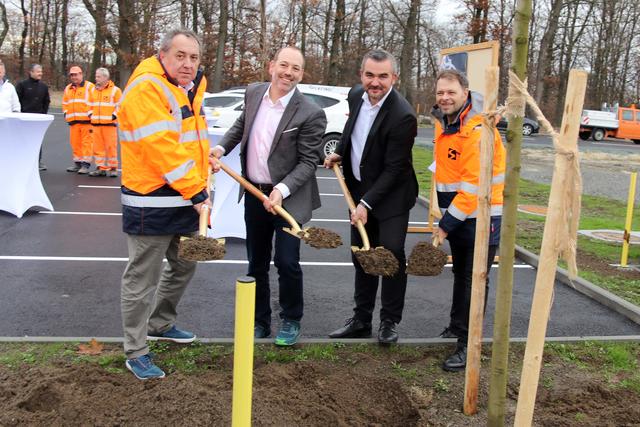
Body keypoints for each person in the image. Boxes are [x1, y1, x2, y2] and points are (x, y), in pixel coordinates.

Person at [211, 46, 326, 346]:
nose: (288, 73)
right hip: (253, 193)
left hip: (289, 198)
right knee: (256, 261)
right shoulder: (253, 93)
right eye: (284, 65)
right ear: (272, 66)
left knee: (287, 261)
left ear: (302, 74)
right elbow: (241, 128)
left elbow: (308, 162)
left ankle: (291, 319)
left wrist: (281, 190)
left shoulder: (311, 113)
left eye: (296, 68)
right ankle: (259, 321)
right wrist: (220, 149)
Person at [117, 28, 211, 380]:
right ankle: (136, 350)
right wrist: (198, 192)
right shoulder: (147, 88)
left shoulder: (187, 87)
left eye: (194, 57)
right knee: (142, 278)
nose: (187, 64)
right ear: (163, 55)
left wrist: (204, 175)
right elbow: (161, 149)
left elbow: (189, 141)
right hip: (150, 200)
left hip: (184, 198)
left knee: (184, 265)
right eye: (180, 56)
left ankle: (160, 323)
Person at [325, 49, 418, 345]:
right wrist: (339, 149)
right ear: (361, 75)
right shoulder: (355, 95)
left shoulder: (403, 115)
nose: (375, 82)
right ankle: (361, 319)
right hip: (359, 191)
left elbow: (395, 168)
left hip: (392, 196)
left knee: (390, 255)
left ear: (394, 77)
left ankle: (389, 322)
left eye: (382, 76)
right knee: (362, 255)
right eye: (369, 75)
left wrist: (366, 204)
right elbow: (352, 130)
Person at [431, 69, 505, 371]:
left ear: (465, 92)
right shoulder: (447, 123)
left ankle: (467, 344)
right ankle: (456, 326)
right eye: (440, 93)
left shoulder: (476, 130)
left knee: (475, 281)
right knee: (461, 275)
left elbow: (473, 189)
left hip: (481, 217)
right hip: (460, 216)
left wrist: (445, 225)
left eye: (451, 92)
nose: (445, 98)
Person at [16, 64, 51, 171]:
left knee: (37, 140)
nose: (40, 73)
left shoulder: (44, 87)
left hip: (38, 119)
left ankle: (37, 162)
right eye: (38, 71)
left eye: (41, 71)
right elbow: (17, 101)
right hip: (24, 118)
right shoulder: (22, 85)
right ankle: (23, 160)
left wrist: (43, 115)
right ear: (31, 72)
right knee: (23, 140)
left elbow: (46, 101)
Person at [88, 67, 121, 177]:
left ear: (106, 77)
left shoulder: (115, 90)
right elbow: (89, 104)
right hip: (96, 124)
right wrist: (90, 114)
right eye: (96, 76)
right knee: (97, 148)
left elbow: (120, 106)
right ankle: (100, 168)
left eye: (98, 76)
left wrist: (113, 116)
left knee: (111, 147)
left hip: (109, 125)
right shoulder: (93, 90)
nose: (96, 78)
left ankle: (113, 168)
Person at [62, 66, 95, 174]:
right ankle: (77, 163)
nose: (74, 77)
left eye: (76, 74)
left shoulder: (90, 87)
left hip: (86, 121)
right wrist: (66, 113)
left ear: (81, 74)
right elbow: (65, 103)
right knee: (75, 143)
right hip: (74, 121)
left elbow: (95, 101)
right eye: (72, 75)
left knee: (87, 143)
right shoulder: (68, 88)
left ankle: (85, 164)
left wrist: (91, 114)